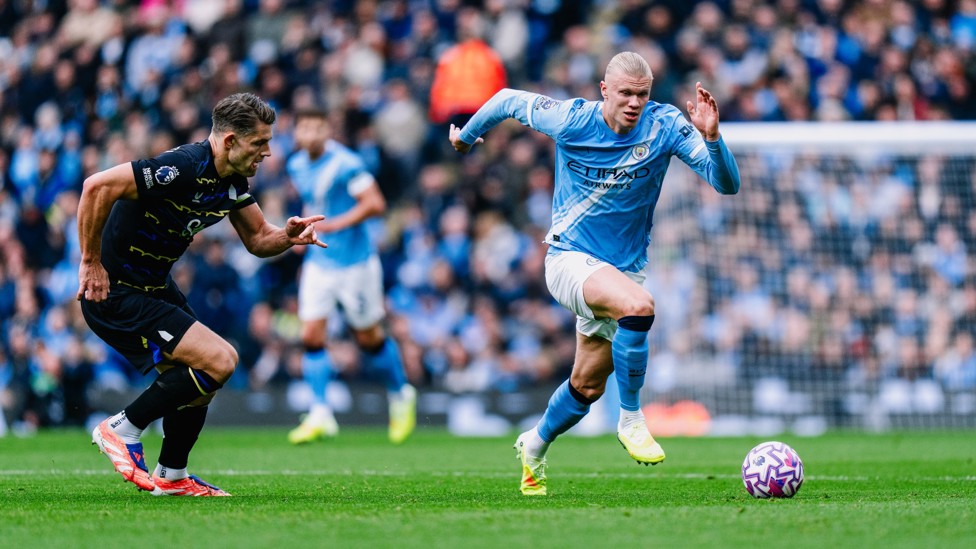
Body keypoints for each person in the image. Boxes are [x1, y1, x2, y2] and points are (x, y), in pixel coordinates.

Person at [449, 52, 741, 496]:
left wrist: (714, 138)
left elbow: (726, 184)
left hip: (623, 270)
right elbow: (507, 99)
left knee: (586, 387)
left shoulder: (665, 127)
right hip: (568, 259)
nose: (633, 103)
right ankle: (632, 420)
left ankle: (534, 444)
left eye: (641, 95)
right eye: (624, 93)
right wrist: (467, 138)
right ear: (604, 90)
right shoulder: (571, 118)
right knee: (640, 307)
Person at [78, 92, 327, 496]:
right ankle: (121, 429)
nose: (268, 151)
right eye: (260, 142)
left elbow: (259, 238)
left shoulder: (230, 182)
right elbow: (95, 187)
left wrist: (288, 236)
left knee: (198, 381)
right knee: (221, 360)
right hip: (117, 292)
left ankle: (172, 475)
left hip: (154, 288)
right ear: (230, 140)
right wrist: (90, 262)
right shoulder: (183, 167)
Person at [284, 108, 416, 446]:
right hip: (319, 260)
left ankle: (401, 393)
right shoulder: (296, 164)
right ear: (297, 132)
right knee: (311, 334)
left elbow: (375, 204)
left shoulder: (347, 164)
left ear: (327, 130)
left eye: (317, 127)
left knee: (368, 339)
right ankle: (320, 413)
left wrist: (333, 224)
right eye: (304, 127)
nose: (310, 134)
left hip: (355, 264)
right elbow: (314, 202)